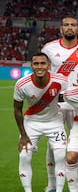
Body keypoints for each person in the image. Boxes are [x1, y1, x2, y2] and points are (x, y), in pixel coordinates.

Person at [41, 16, 78, 192]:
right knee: (53, 145)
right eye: (66, 25)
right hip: (55, 103)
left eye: (73, 25)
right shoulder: (49, 48)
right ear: (60, 29)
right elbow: (42, 69)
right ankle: (52, 184)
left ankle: (77, 185)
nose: (69, 27)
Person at [13, 52, 68, 192]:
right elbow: (17, 110)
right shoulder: (21, 84)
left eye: (43, 63)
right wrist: (23, 134)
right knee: (24, 155)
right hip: (32, 123)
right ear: (31, 65)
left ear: (49, 65)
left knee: (61, 156)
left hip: (55, 122)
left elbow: (65, 98)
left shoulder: (61, 80)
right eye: (36, 64)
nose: (39, 66)